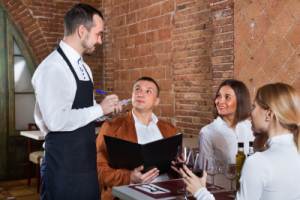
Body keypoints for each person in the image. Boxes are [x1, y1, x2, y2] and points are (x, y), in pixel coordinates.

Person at [32, 3, 124, 199]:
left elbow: (84, 112)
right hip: (62, 166)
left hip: (86, 162)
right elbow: (55, 121)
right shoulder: (53, 68)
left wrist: (105, 110)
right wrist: (99, 109)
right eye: (98, 34)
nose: (100, 41)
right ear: (82, 31)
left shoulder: (84, 68)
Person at [180, 82, 300, 200]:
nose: (250, 112)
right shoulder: (294, 152)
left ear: (269, 114)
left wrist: (200, 192)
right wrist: (258, 148)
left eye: (254, 106)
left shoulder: (257, 162)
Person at [96, 77, 178, 200]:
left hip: (167, 194)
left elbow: (176, 170)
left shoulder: (170, 129)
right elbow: (97, 170)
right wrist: (129, 177)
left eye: (148, 91)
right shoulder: (112, 127)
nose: (140, 94)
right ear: (132, 95)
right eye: (137, 89)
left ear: (157, 101)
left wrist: (180, 166)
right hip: (129, 195)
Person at [198, 80, 255, 165]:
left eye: (227, 97)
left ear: (241, 101)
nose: (220, 101)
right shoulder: (207, 132)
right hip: (223, 178)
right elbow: (206, 172)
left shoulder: (253, 127)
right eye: (219, 96)